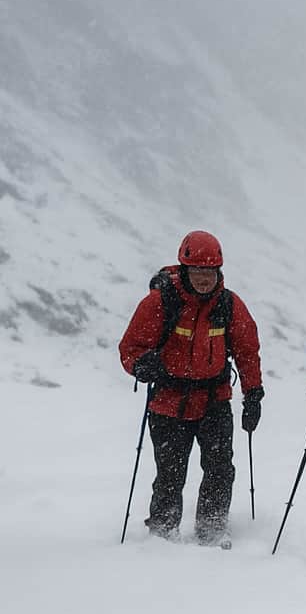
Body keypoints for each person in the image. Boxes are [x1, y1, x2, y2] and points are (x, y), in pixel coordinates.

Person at [119, 230, 263, 546]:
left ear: (219, 272)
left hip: (214, 401)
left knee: (220, 468)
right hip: (168, 403)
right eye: (197, 270)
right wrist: (141, 364)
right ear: (184, 269)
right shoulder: (160, 302)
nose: (203, 278)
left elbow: (247, 351)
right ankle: (163, 533)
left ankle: (211, 531)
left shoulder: (229, 305)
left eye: (209, 271)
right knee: (170, 474)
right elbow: (130, 346)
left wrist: (253, 394)